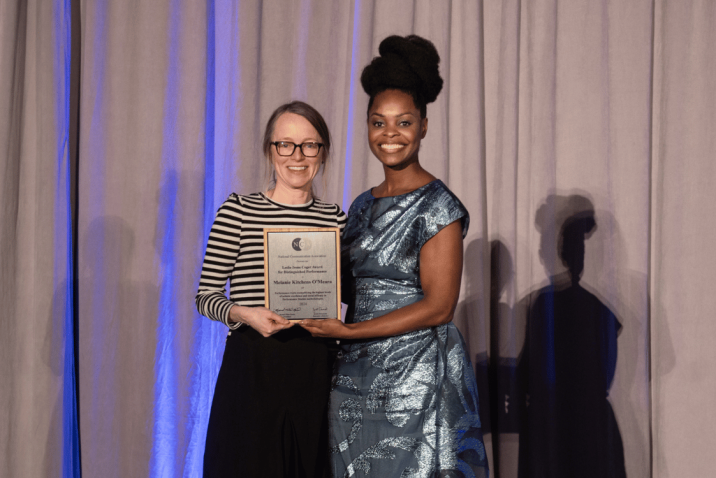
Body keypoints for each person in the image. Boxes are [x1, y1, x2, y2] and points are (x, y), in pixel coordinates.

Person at [300, 35, 489, 477]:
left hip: (416, 377)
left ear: (423, 125)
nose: (390, 134)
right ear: (366, 127)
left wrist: (348, 330)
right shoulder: (361, 205)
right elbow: (345, 287)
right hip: (354, 377)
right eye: (378, 122)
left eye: (403, 122)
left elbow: (439, 307)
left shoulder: (438, 206)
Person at [196, 101, 347, 477]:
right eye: (286, 144)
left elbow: (351, 294)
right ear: (270, 149)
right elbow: (205, 296)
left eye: (309, 145)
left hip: (318, 367)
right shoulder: (239, 211)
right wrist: (246, 314)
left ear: (322, 152)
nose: (297, 156)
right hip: (253, 366)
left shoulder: (338, 219)